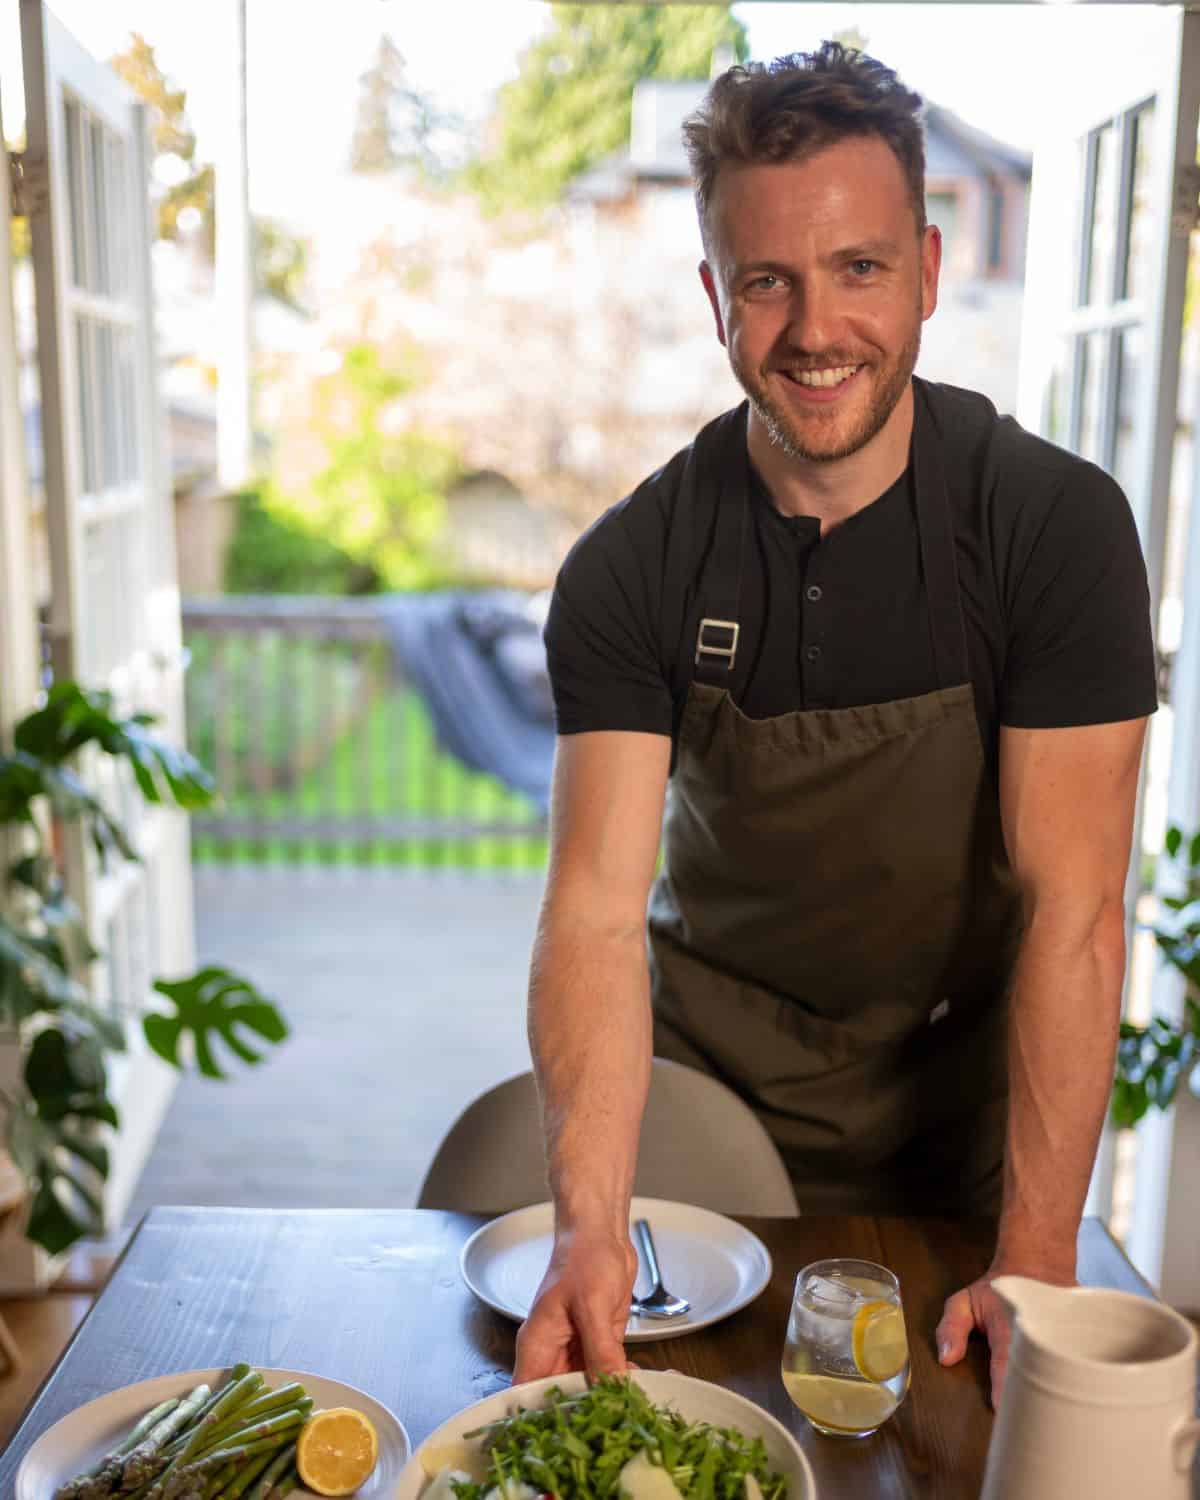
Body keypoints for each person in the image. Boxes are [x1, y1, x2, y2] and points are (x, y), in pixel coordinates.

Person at [512, 43, 1156, 1406]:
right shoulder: (632, 567)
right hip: (705, 1126)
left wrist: (1036, 1252)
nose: (815, 329)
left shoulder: (1054, 529)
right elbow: (590, 916)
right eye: (768, 280)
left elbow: (1077, 914)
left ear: (926, 269)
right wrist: (586, 1224)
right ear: (715, 299)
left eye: (858, 268)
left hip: (972, 1132)